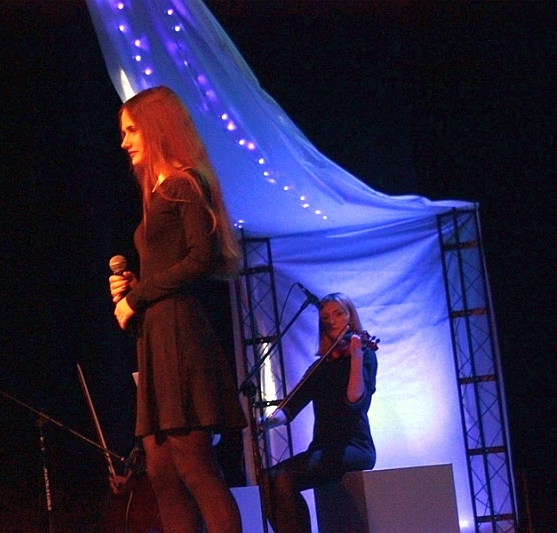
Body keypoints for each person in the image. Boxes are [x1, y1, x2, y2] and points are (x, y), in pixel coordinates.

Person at [108, 86, 246, 533]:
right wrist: (135, 289)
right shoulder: (159, 191)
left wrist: (137, 297)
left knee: (193, 466)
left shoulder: (184, 184)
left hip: (180, 339)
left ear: (155, 128)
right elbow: (169, 267)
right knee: (162, 472)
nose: (125, 142)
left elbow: (200, 259)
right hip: (157, 337)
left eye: (131, 130)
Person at [258, 292, 378, 533]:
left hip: (354, 447)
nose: (332, 321)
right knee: (266, 481)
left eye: (338, 314)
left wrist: (356, 358)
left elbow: (355, 402)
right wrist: (268, 421)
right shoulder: (321, 365)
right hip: (322, 447)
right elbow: (291, 406)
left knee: (283, 478)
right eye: (325, 317)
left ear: (350, 317)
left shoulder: (365, 356)